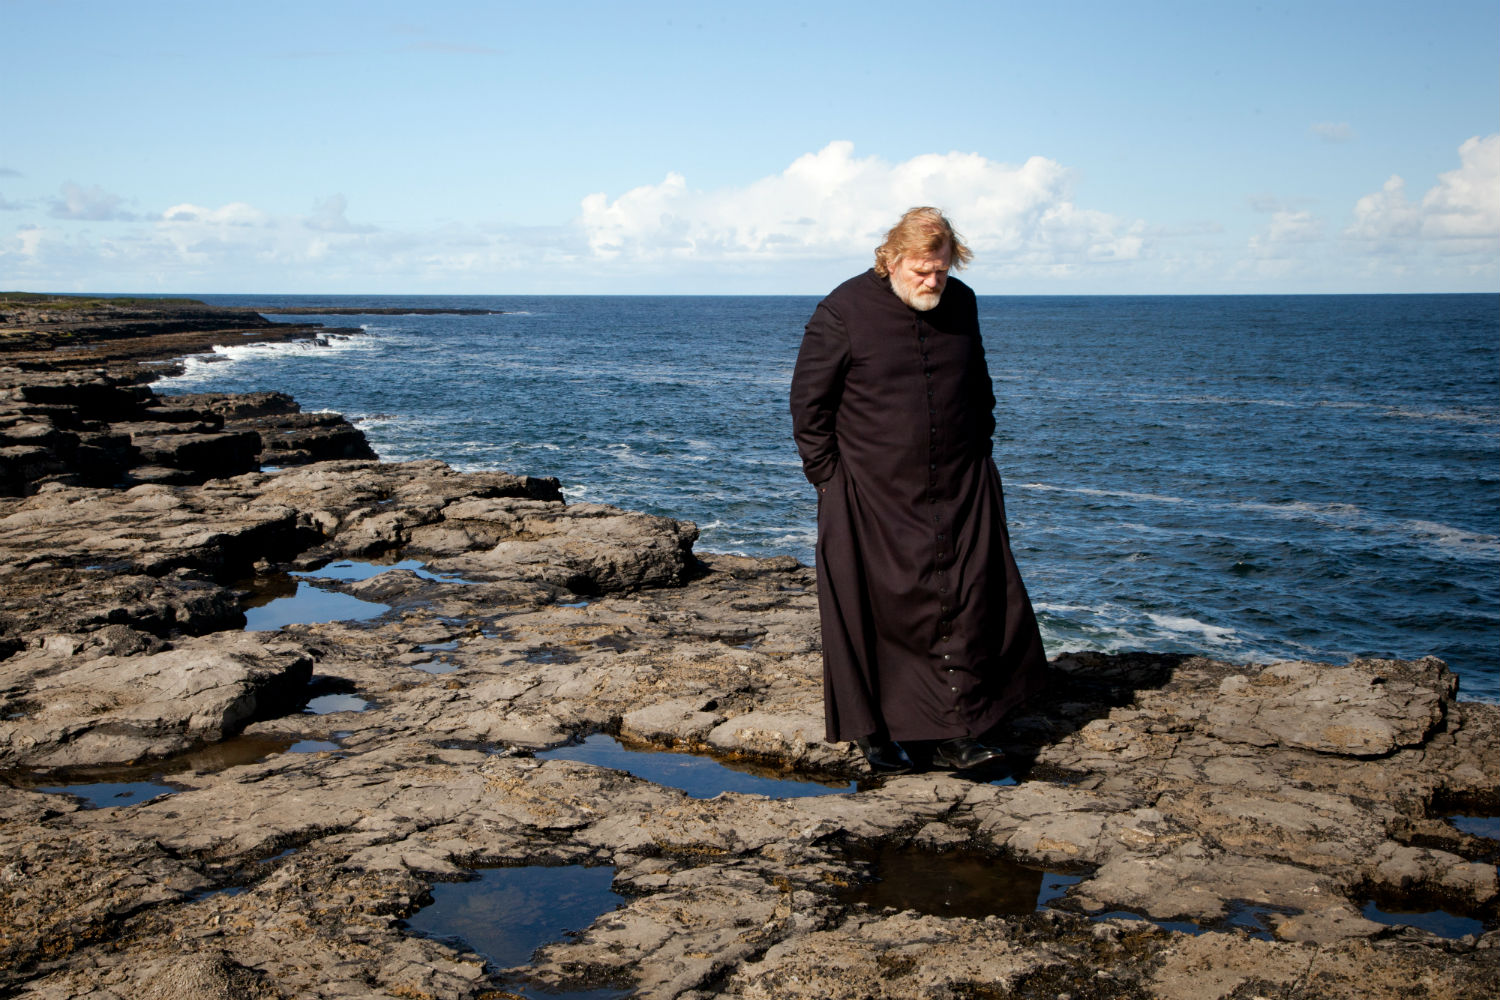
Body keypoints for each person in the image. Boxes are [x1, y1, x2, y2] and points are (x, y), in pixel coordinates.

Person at [789, 207, 1048, 774]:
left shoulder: (963, 302)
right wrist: (830, 481)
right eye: (922, 271)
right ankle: (875, 731)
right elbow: (810, 407)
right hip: (870, 493)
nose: (933, 282)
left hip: (959, 483)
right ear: (891, 259)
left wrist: (981, 451)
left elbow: (978, 383)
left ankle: (959, 728)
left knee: (967, 600)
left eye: (942, 271)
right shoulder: (843, 310)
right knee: (884, 610)